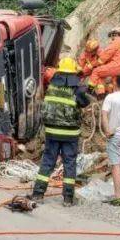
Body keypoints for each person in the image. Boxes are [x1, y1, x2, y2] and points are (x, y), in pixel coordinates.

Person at [33, 56, 91, 206]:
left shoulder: (52, 85)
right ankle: (68, 198)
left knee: (47, 161)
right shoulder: (77, 88)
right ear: (73, 73)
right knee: (69, 163)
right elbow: (84, 103)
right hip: (70, 134)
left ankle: (38, 194)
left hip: (52, 131)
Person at [88, 27, 120, 95]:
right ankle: (111, 94)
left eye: (111, 36)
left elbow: (105, 56)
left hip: (117, 66)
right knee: (114, 82)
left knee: (96, 71)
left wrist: (95, 64)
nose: (111, 38)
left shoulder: (115, 42)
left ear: (114, 35)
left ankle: (89, 91)